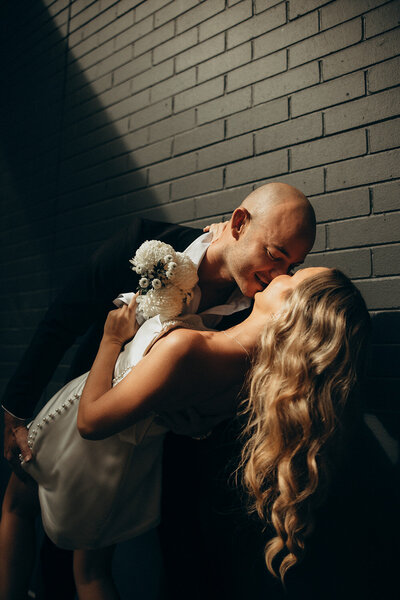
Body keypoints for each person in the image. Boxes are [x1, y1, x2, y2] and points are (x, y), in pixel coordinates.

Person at [1, 182, 316, 598]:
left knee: (92, 561)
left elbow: (237, 400)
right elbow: (62, 319)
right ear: (238, 223)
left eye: (291, 266)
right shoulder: (145, 243)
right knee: (59, 549)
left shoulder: (264, 315)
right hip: (81, 405)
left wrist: (201, 421)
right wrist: (15, 411)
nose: (278, 275)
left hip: (145, 453)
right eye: (275, 255)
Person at [0, 266, 370, 600]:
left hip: (81, 440)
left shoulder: (187, 348)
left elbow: (91, 422)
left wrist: (111, 339)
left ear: (292, 308)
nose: (282, 273)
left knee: (16, 507)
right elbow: (195, 421)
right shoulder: (250, 376)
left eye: (294, 274)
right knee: (91, 571)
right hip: (126, 464)